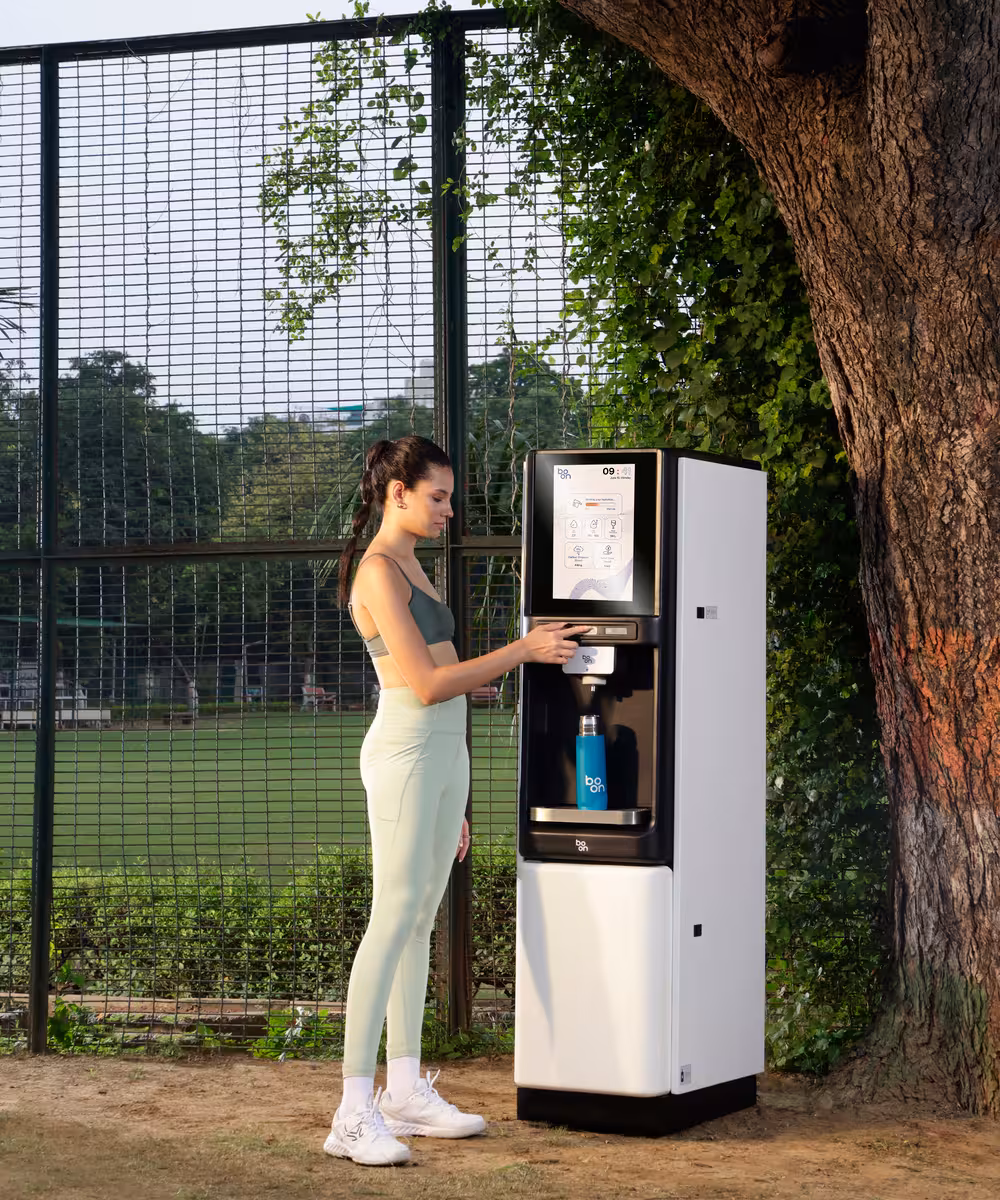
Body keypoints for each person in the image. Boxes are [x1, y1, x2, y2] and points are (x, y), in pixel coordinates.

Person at [324, 435, 589, 1167]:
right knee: (391, 920)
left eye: (448, 496)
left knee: (418, 923)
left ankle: (403, 1091)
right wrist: (525, 649)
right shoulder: (379, 570)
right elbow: (425, 684)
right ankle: (351, 1110)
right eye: (437, 496)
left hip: (442, 762)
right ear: (397, 492)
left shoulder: (413, 563)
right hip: (406, 755)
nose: (448, 509)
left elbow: (451, 679)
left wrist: (456, 796)